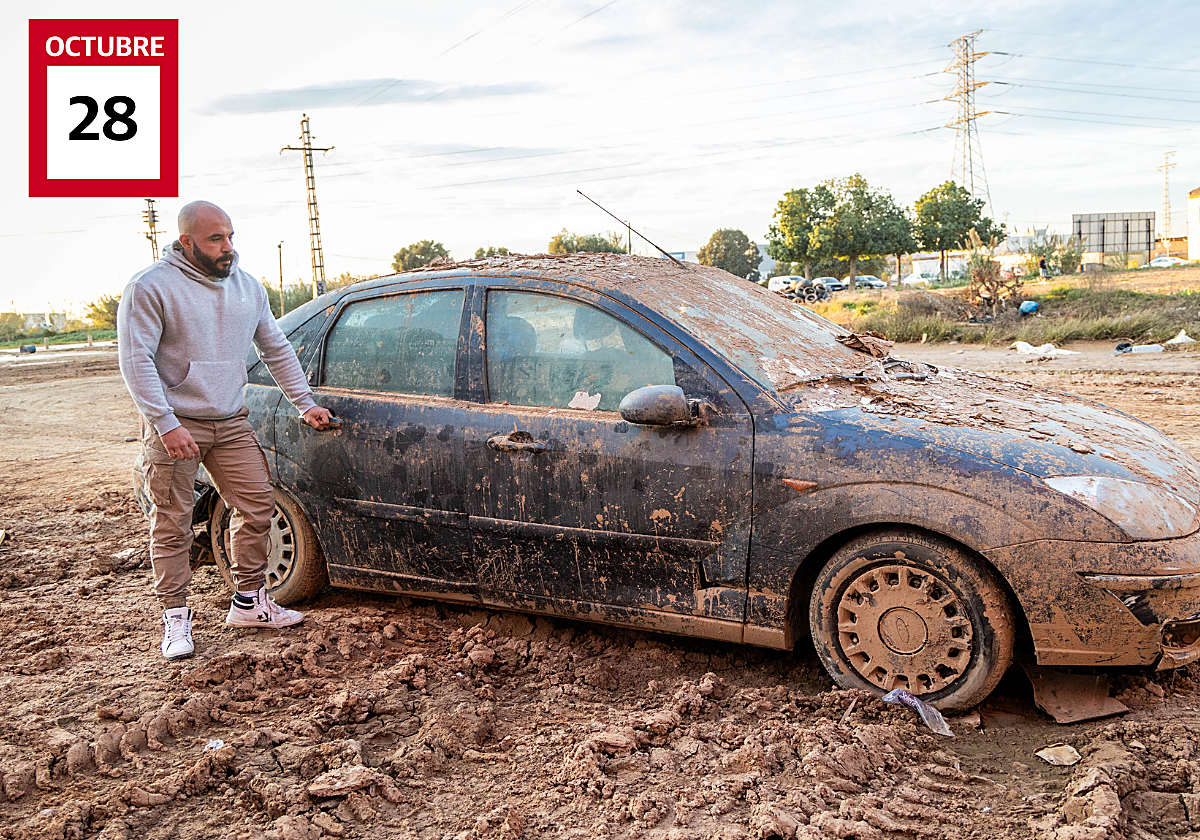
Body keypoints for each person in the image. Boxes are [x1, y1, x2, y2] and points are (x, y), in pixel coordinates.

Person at [117, 201, 334, 661]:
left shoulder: (247, 287)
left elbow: (275, 348)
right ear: (186, 241)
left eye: (230, 236)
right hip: (176, 424)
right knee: (172, 522)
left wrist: (306, 403)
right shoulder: (150, 287)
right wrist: (165, 423)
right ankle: (175, 618)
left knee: (257, 507)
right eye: (216, 239)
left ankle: (249, 602)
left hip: (230, 420)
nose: (227, 247)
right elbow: (136, 361)